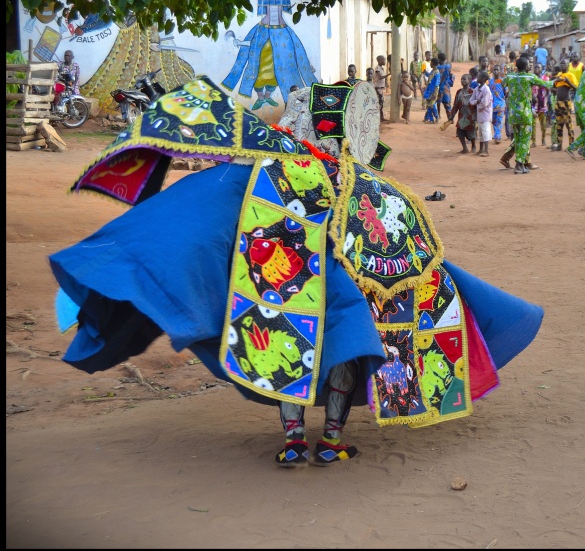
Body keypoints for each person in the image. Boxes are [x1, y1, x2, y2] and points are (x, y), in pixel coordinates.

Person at [48, 76, 543, 470]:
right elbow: (398, 243)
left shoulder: (273, 170)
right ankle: (330, 440)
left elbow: (203, 211)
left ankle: (291, 442)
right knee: (345, 345)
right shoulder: (365, 183)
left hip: (284, 271)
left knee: (282, 339)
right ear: (357, 130)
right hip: (340, 274)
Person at [500, 57, 554, 173]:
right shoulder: (530, 77)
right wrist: (557, 81)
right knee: (524, 140)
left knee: (518, 138)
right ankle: (519, 165)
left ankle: (520, 163)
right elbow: (546, 84)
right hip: (525, 113)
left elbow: (502, 84)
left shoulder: (510, 77)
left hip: (513, 113)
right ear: (526, 67)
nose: (530, 66)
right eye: (529, 64)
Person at [442, 73, 477, 154]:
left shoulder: (473, 92)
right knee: (460, 132)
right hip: (461, 115)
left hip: (471, 115)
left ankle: (473, 145)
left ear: (470, 81)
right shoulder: (459, 92)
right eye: (461, 79)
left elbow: (476, 104)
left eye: (464, 79)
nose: (462, 80)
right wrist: (452, 116)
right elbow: (455, 105)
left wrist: (476, 117)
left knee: (471, 132)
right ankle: (465, 148)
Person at [551, 63, 577, 152]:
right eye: (560, 63)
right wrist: (555, 82)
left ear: (567, 66)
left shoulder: (570, 75)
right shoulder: (559, 75)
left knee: (568, 124)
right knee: (559, 124)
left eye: (563, 64)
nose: (561, 65)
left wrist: (567, 82)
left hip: (566, 103)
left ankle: (571, 145)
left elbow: (575, 88)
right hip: (558, 102)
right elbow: (553, 88)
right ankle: (559, 144)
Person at [470, 70, 494, 156]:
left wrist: (477, 104)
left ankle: (486, 150)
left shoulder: (486, 90)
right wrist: (477, 101)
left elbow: (484, 103)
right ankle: (481, 149)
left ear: (483, 79)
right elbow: (471, 100)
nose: (477, 78)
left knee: (486, 131)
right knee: (480, 131)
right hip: (480, 114)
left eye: (479, 77)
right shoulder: (477, 89)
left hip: (485, 114)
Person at [531, 62, 551, 148]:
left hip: (543, 103)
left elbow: (548, 89)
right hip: (534, 103)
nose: (536, 69)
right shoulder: (531, 79)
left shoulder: (545, 78)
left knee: (543, 124)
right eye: (535, 68)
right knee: (533, 123)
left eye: (538, 68)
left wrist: (546, 99)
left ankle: (543, 139)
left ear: (541, 69)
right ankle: (534, 141)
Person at [489, 65, 507, 144]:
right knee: (493, 121)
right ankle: (497, 134)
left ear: (500, 71)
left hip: (500, 104)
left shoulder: (502, 81)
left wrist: (503, 100)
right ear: (492, 71)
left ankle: (498, 136)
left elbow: (506, 92)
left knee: (499, 121)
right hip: (492, 104)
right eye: (494, 70)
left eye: (497, 70)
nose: (496, 71)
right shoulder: (490, 81)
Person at [422, 57, 441, 124]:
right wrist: (425, 72)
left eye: (430, 63)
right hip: (429, 90)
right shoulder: (433, 71)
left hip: (433, 91)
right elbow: (430, 76)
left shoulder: (437, 73)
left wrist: (434, 94)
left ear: (432, 63)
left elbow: (436, 84)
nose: (430, 64)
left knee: (432, 105)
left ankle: (436, 118)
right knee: (429, 104)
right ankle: (428, 118)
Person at [436, 52, 453, 119]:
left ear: (439, 59)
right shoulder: (448, 67)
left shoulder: (437, 67)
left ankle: (438, 115)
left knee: (438, 102)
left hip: (439, 86)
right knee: (447, 102)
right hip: (446, 86)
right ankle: (450, 117)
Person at [374, 55, 390, 121]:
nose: (385, 61)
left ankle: (381, 116)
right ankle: (380, 117)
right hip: (377, 87)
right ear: (380, 61)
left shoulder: (381, 68)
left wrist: (386, 83)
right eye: (384, 60)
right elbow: (380, 77)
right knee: (380, 102)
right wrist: (389, 74)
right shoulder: (377, 68)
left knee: (381, 102)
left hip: (380, 88)